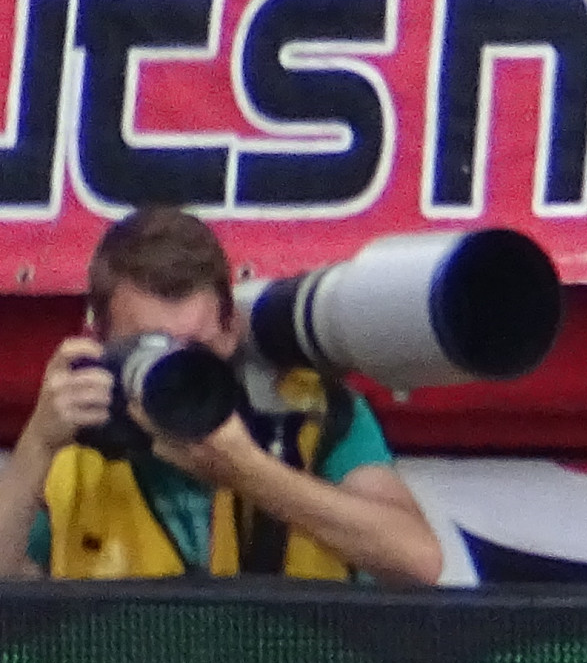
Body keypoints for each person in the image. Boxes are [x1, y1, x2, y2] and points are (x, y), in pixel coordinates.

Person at [0, 205, 441, 585]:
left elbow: (417, 562)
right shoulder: (74, 439)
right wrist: (37, 444)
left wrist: (251, 472)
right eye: (149, 349)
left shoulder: (305, 412)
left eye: (196, 347)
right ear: (97, 338)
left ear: (229, 328)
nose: (175, 367)